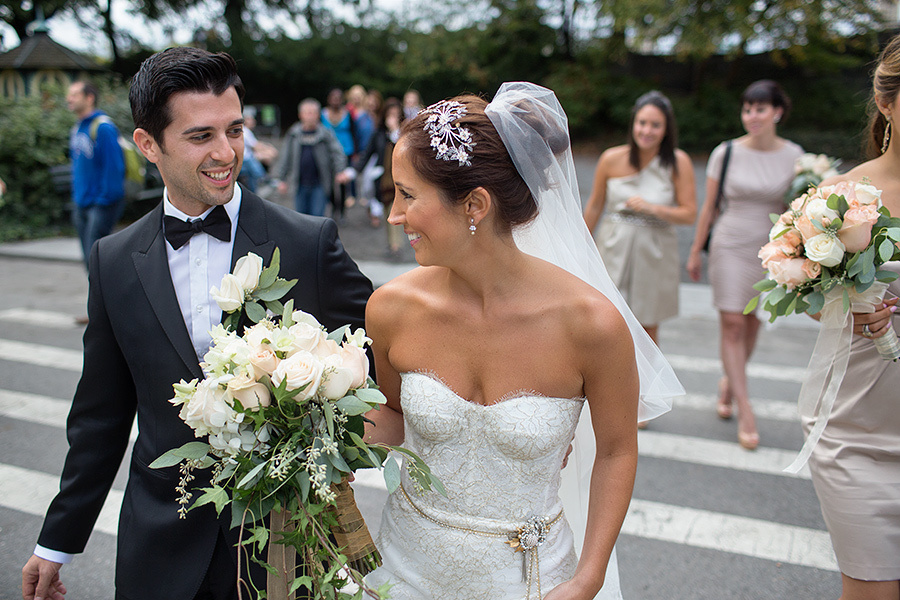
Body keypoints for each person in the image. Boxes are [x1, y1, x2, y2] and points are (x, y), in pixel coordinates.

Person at [21, 47, 372, 600]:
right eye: (200, 136)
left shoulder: (308, 241)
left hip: (281, 542)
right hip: (159, 540)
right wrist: (57, 542)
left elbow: (380, 349)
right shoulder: (113, 260)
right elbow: (101, 413)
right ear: (148, 145)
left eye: (234, 130)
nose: (226, 152)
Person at [362, 83, 682, 599]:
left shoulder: (589, 324)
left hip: (530, 579)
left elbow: (618, 450)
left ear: (475, 204)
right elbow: (393, 416)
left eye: (407, 194)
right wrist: (306, 422)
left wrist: (588, 578)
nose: (395, 214)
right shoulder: (392, 308)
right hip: (405, 569)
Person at [804, 34, 900, 600]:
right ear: (886, 102)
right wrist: (849, 311)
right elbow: (814, 302)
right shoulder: (841, 196)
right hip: (857, 429)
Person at [686, 80, 803, 450]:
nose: (752, 116)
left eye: (760, 109)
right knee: (733, 323)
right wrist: (694, 250)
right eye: (747, 109)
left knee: (752, 325)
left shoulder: (796, 156)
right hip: (730, 243)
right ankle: (746, 408)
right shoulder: (727, 152)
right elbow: (710, 206)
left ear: (777, 112)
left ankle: (729, 383)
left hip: (773, 247)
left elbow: (801, 207)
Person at [583, 90, 697, 345]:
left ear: (666, 129)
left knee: (646, 326)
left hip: (654, 252)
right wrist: (579, 246)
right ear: (633, 124)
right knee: (606, 319)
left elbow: (689, 214)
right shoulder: (611, 158)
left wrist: (653, 208)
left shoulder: (678, 162)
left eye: (655, 125)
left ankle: (648, 385)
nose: (647, 130)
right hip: (613, 246)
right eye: (642, 123)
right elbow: (594, 206)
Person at [66, 80, 126, 269]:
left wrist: (103, 200)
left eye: (75, 94)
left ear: (89, 98)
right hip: (82, 203)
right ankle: (99, 298)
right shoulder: (76, 129)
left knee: (98, 260)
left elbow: (115, 168)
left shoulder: (103, 128)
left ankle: (110, 298)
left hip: (100, 204)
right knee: (89, 261)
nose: (69, 99)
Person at [273, 98, 347, 217]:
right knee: (301, 217)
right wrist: (281, 179)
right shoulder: (294, 134)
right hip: (299, 183)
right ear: (300, 115)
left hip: (320, 183)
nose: (310, 116)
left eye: (313, 112)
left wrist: (340, 170)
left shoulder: (325, 134)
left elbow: (337, 152)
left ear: (318, 115)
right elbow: (285, 157)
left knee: (317, 217)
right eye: (307, 112)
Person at [322, 87, 357, 218]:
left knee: (343, 182)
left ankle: (342, 209)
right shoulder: (322, 114)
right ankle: (333, 206)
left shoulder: (347, 114)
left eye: (338, 98)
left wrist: (356, 151)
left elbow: (354, 132)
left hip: (346, 150)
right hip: (327, 152)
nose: (335, 101)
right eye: (333, 98)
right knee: (329, 180)